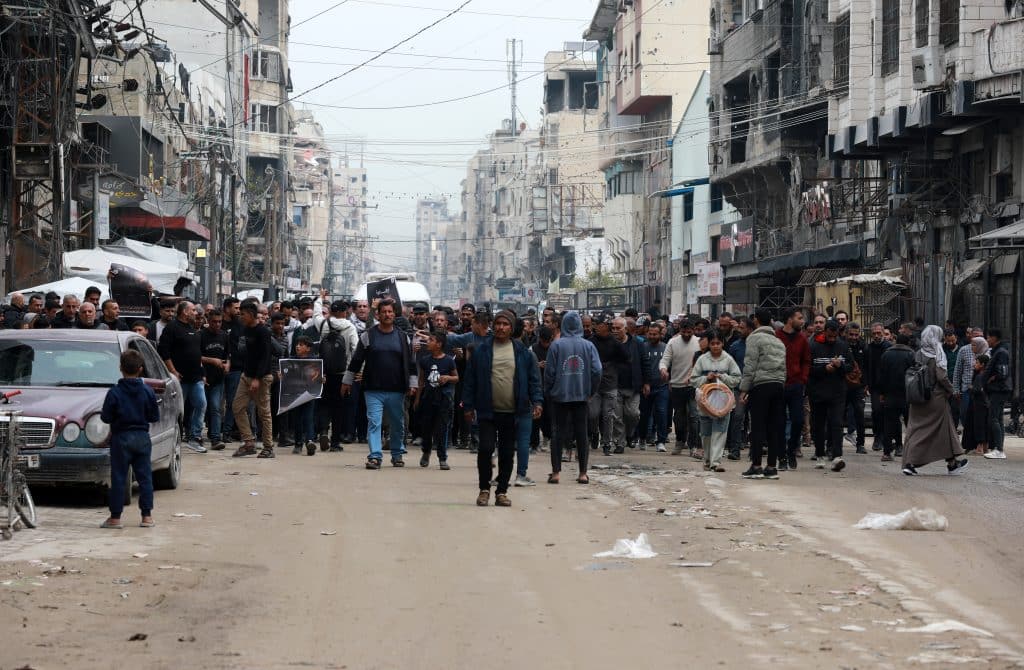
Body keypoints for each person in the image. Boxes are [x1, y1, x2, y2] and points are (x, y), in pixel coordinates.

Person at [463, 310, 543, 506]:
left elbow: (534, 380)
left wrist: (537, 401)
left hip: (513, 412)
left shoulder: (522, 352)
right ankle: (484, 489)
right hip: (487, 411)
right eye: (498, 323)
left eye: (505, 324)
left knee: (507, 452)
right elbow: (470, 380)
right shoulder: (481, 351)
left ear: (511, 327)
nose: (501, 327)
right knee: (486, 448)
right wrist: (467, 405)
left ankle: (501, 491)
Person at [342, 299, 417, 470]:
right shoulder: (368, 335)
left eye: (390, 312)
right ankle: (375, 456)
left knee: (397, 424)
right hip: (373, 388)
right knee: (374, 422)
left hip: (397, 389)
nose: (387, 315)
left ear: (394, 314)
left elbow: (410, 363)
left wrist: (413, 383)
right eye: (384, 312)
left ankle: (397, 454)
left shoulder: (402, 337)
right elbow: (356, 360)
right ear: (378, 314)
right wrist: (347, 381)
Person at [99, 350, 159, 529]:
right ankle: (146, 517)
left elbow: (105, 417)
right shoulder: (147, 391)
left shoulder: (114, 393)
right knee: (145, 477)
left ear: (120, 368)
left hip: (121, 437)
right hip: (142, 437)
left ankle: (115, 518)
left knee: (118, 477)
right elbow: (154, 416)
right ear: (140, 369)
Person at [544, 310, 602, 484]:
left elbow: (550, 372)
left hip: (560, 395)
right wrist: (591, 390)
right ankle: (583, 473)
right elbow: (597, 370)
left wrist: (549, 390)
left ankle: (556, 473)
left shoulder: (556, 345)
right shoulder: (588, 346)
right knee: (582, 433)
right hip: (581, 395)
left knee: (557, 433)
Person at [902, 325, 968, 475]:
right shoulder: (937, 352)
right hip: (935, 398)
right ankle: (950, 463)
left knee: (916, 429)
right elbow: (941, 377)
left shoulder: (918, 353)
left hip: (918, 397)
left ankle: (911, 463)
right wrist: (952, 390)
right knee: (944, 429)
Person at [738, 308, 787, 479]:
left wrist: (744, 389)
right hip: (778, 385)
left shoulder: (754, 338)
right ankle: (772, 467)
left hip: (761, 386)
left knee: (758, 426)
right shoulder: (779, 341)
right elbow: (784, 368)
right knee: (774, 427)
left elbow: (750, 365)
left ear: (756, 320)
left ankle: (757, 465)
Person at [690, 331, 741, 472]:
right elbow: (693, 379)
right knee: (706, 433)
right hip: (705, 402)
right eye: (712, 343)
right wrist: (706, 378)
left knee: (720, 432)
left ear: (722, 343)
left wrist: (723, 377)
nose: (715, 346)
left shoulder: (728, 359)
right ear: (708, 344)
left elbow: (737, 378)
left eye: (718, 343)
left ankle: (715, 462)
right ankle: (707, 460)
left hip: (724, 402)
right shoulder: (702, 359)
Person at [159, 301, 207, 453]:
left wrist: (202, 373)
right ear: (185, 312)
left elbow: (197, 354)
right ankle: (174, 439)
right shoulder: (171, 328)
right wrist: (173, 371)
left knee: (201, 404)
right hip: (179, 379)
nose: (196, 313)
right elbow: (164, 352)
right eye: (193, 310)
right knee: (177, 410)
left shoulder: (193, 329)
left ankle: (194, 437)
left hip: (196, 377)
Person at [230, 302, 276, 459]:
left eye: (243, 314)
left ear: (250, 314)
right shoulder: (246, 329)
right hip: (246, 376)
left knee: (263, 412)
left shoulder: (263, 332)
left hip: (262, 377)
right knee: (237, 407)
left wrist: (257, 379)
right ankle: (249, 442)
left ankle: (268, 447)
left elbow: (265, 357)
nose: (241, 316)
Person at [808, 320, 852, 472]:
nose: (832, 339)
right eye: (830, 336)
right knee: (819, 425)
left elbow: (851, 366)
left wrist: (840, 366)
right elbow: (808, 369)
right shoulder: (813, 346)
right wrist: (823, 369)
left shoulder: (843, 346)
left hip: (837, 393)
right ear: (825, 332)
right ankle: (820, 454)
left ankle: (837, 456)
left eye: (835, 337)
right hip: (818, 393)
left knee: (837, 424)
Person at [319, 300, 359, 451]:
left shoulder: (324, 325)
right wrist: (354, 371)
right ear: (345, 312)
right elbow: (355, 350)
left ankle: (323, 430)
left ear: (332, 311)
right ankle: (335, 442)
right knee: (338, 407)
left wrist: (319, 299)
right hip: (342, 374)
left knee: (324, 403)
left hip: (324, 372)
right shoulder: (350, 328)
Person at [415, 332, 458, 470]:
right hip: (428, 398)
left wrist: (447, 378)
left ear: (439, 344)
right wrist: (417, 398)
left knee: (442, 429)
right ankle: (426, 452)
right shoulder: (425, 360)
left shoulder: (449, 360)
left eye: (431, 340)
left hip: (444, 400)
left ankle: (442, 458)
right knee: (426, 428)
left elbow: (456, 378)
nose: (428, 342)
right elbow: (421, 380)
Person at [659, 319, 700, 455]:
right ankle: (680, 441)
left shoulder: (699, 342)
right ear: (680, 330)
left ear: (693, 330)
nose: (687, 334)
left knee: (694, 416)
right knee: (679, 417)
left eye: (689, 332)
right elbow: (665, 359)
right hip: (676, 385)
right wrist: (663, 369)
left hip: (694, 385)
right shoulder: (672, 342)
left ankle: (693, 445)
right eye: (684, 332)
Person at [776, 307, 810, 469]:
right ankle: (781, 456)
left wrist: (803, 378)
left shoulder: (802, 339)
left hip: (796, 385)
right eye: (800, 318)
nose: (802, 321)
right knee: (779, 422)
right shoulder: (777, 336)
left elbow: (806, 361)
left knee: (798, 420)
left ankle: (792, 449)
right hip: (779, 384)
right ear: (790, 319)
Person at [590, 313, 627, 455]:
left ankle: (607, 443)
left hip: (611, 384)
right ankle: (594, 433)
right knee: (593, 414)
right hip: (594, 385)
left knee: (608, 415)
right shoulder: (591, 342)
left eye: (598, 324)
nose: (596, 327)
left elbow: (626, 358)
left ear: (605, 326)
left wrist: (614, 366)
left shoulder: (615, 342)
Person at [875, 333, 915, 461]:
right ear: (908, 343)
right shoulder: (911, 354)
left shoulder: (887, 354)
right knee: (911, 424)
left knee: (889, 423)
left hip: (890, 395)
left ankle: (886, 453)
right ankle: (910, 452)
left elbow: (881, 375)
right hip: (907, 395)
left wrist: (881, 393)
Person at [200, 309, 230, 451]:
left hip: (218, 379)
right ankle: (196, 436)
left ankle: (216, 438)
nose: (217, 324)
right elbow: (196, 356)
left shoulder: (224, 336)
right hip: (202, 377)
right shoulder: (201, 336)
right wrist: (212, 360)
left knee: (216, 408)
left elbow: (228, 355)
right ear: (208, 321)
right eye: (214, 322)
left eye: (219, 322)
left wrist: (227, 364)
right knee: (201, 408)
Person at [612, 316, 643, 453]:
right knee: (617, 416)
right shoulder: (610, 344)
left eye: (618, 328)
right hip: (614, 385)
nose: (615, 331)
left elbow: (644, 363)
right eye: (613, 328)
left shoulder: (636, 343)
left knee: (633, 414)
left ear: (625, 329)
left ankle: (630, 433)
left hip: (633, 385)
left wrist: (646, 382)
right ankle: (620, 442)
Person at [982, 328, 1011, 460]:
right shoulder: (997, 351)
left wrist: (991, 378)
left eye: (988, 337)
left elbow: (1002, 372)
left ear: (994, 338)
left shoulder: (1001, 352)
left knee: (994, 418)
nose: (987, 340)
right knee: (997, 419)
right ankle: (999, 448)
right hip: (997, 389)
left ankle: (998, 449)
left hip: (999, 389)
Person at [640, 322, 670, 451]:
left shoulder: (666, 348)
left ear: (660, 334)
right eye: (650, 334)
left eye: (655, 334)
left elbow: (671, 364)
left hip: (662, 386)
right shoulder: (642, 347)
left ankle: (661, 441)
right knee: (644, 414)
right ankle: (642, 438)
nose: (652, 336)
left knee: (662, 413)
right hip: (646, 387)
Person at [842, 322, 868, 454]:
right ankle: (833, 445)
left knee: (859, 414)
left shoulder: (863, 347)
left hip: (858, 386)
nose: (853, 337)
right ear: (846, 334)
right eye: (851, 334)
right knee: (838, 415)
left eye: (856, 335)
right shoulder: (841, 346)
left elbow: (867, 366)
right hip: (843, 385)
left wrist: (865, 384)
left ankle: (860, 444)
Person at [963, 354, 991, 455]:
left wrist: (971, 388)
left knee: (979, 426)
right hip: (986, 404)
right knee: (985, 426)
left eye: (977, 362)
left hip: (979, 404)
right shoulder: (987, 375)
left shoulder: (979, 376)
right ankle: (985, 448)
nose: (974, 364)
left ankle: (979, 448)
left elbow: (977, 390)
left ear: (982, 364)